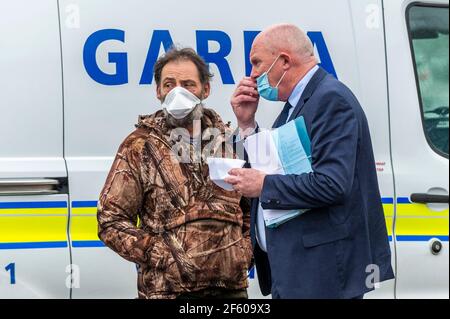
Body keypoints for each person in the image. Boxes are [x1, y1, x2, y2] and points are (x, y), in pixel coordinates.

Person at [225, 24, 394, 299]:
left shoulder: (330, 99)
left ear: (284, 61)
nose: (253, 74)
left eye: (257, 63)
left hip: (321, 276)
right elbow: (270, 166)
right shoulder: (297, 105)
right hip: (299, 273)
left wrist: (264, 185)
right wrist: (246, 123)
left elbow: (332, 183)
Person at [97, 47, 253, 299]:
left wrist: (242, 254)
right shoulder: (139, 146)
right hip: (167, 291)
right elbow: (110, 220)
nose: (178, 91)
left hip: (231, 292)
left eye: (188, 84)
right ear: (158, 91)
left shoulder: (229, 143)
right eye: (169, 84)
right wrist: (164, 256)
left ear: (205, 90)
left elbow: (251, 209)